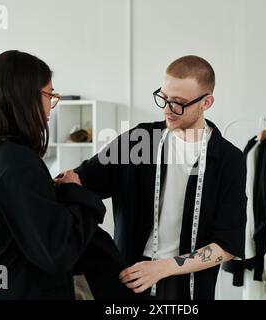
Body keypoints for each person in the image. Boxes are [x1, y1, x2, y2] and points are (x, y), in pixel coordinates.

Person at [69, 55, 247, 300]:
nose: (166, 110)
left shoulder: (229, 161)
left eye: (178, 103)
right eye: (163, 98)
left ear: (206, 103)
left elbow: (226, 246)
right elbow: (80, 181)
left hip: (189, 289)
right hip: (129, 280)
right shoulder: (138, 142)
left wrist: (162, 269)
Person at [0, 50, 107, 299]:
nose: (51, 104)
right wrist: (76, 192)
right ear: (26, 96)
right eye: (50, 95)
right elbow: (58, 251)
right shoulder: (18, 163)